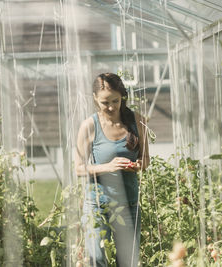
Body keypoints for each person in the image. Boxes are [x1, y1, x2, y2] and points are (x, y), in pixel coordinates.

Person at [75, 73, 150, 267]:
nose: (110, 107)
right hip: (98, 206)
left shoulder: (138, 121)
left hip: (129, 204)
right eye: (104, 102)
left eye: (115, 101)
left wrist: (137, 165)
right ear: (95, 99)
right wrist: (108, 167)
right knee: (97, 260)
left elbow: (146, 159)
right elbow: (78, 168)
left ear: (122, 97)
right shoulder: (89, 126)